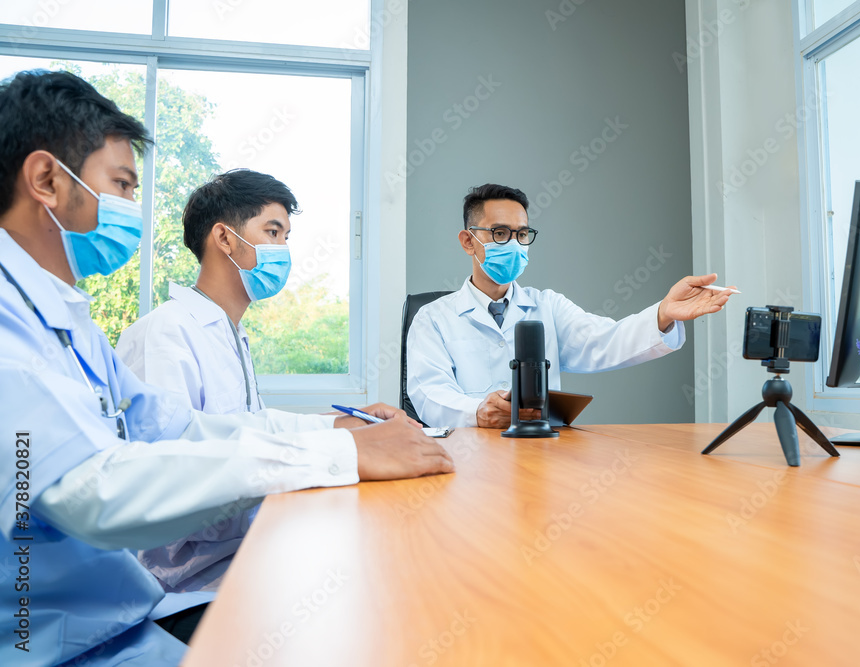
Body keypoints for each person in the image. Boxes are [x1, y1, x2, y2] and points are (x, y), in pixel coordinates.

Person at [0, 69, 453, 666]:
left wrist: (335, 433)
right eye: (121, 185)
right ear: (45, 180)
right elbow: (93, 491)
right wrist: (339, 455)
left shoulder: (66, 319)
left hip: (115, 619)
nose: (132, 208)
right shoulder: (22, 323)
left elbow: (178, 427)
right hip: (58, 640)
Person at [115, 169, 402, 641]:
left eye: (286, 236)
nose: (283, 249)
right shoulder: (166, 334)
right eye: (272, 232)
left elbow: (247, 430)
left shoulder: (230, 333)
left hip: (241, 559)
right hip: (189, 589)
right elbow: (174, 483)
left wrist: (347, 425)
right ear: (225, 239)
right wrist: (330, 452)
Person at [406, 183, 734, 428]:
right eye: (501, 233)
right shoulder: (433, 318)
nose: (515, 244)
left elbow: (604, 340)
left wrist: (663, 314)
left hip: (539, 453)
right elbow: (429, 393)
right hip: (468, 455)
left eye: (522, 235)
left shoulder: (547, 306)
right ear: (468, 241)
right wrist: (477, 412)